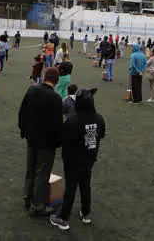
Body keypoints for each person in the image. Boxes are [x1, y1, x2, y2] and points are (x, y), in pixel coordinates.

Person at [50, 88, 105, 230]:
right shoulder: (99, 119)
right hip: (90, 157)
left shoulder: (73, 121)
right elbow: (101, 134)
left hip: (73, 160)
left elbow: (62, 139)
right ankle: (86, 213)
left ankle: (63, 218)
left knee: (71, 187)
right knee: (85, 184)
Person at [18, 67, 63, 216]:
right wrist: (58, 142)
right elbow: (58, 124)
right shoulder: (55, 98)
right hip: (46, 143)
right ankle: (38, 205)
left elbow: (22, 112)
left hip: (31, 138)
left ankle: (27, 198)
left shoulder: (32, 90)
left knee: (30, 170)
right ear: (56, 81)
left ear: (44, 78)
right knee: (42, 173)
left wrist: (23, 131)